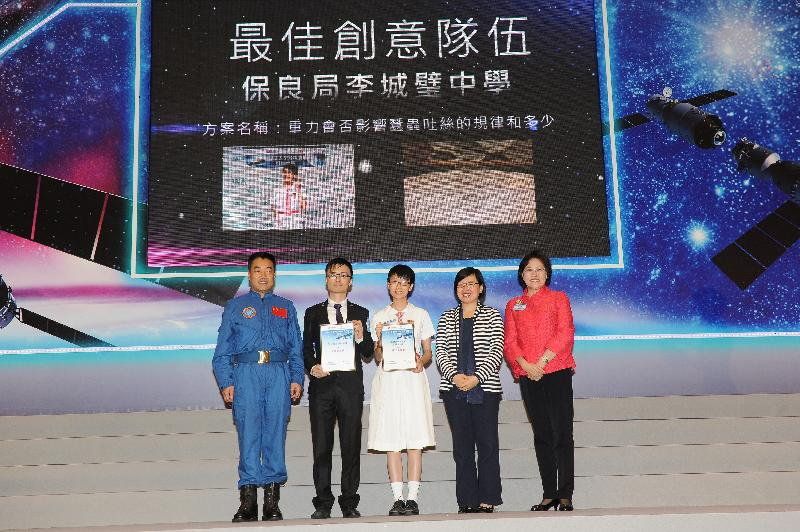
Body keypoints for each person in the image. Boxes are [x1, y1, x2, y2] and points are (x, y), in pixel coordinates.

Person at [211, 252, 304, 522]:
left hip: (278, 374)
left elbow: (296, 349)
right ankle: (248, 503)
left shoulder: (286, 307)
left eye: (269, 270)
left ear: (275, 275)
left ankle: (272, 504)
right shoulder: (235, 307)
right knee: (249, 435)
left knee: (275, 434)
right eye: (257, 270)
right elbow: (222, 351)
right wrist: (226, 381)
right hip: (246, 375)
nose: (263, 275)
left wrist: (296, 377)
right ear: (249, 274)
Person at [504, 250, 576, 512]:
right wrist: (525, 365)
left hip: (555, 370)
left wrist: (542, 363)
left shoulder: (558, 298)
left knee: (562, 433)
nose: (534, 274)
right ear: (521, 275)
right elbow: (510, 342)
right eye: (529, 270)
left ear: (547, 274)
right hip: (528, 374)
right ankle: (549, 493)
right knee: (542, 434)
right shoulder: (513, 305)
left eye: (539, 269)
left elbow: (565, 332)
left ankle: (565, 494)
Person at [303, 257, 375, 519]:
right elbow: (306, 349)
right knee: (321, 446)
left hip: (350, 388)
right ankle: (323, 502)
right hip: (321, 388)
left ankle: (348, 501)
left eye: (344, 275)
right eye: (333, 274)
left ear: (351, 281)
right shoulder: (312, 312)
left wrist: (359, 335)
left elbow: (368, 353)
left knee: (351, 445)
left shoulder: (361, 313)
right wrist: (313, 367)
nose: (338, 279)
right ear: (326, 279)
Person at [435, 267, 504, 514]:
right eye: (461, 284)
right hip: (453, 391)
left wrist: (476, 378)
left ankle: (487, 498)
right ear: (456, 289)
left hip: (485, 390)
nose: (466, 288)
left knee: (487, 445)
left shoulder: (493, 316)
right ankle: (467, 500)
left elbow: (497, 352)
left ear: (481, 288)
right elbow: (440, 351)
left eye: (471, 284)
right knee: (462, 448)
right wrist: (454, 376)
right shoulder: (446, 317)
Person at [368, 264, 436, 516]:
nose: (398, 287)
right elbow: (377, 356)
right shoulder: (379, 317)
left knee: (415, 440)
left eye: (403, 282)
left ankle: (413, 498)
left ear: (411, 286)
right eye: (394, 282)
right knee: (392, 441)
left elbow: (428, 352)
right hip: (388, 381)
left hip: (412, 381)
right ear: (388, 285)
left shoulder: (421, 314)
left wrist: (421, 361)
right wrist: (379, 341)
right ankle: (398, 498)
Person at [272, 163, 307, 230]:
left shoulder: (300, 190)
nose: (286, 175)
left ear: (294, 175)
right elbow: (274, 209)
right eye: (284, 172)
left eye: (289, 173)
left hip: (295, 222)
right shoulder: (277, 190)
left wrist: (298, 190)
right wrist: (276, 222)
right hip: (280, 223)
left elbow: (304, 207)